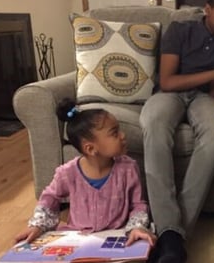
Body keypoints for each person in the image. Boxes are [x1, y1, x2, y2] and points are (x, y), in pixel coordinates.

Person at [139, 0, 214, 263]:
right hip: (170, 94)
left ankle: (171, 236)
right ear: (207, 9)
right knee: (155, 123)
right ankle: (173, 237)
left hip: (203, 98)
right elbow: (168, 81)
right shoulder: (180, 30)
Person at [15, 98, 156, 248]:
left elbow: (138, 204)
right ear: (90, 148)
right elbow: (50, 198)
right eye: (115, 133)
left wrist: (137, 227)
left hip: (116, 238)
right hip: (78, 240)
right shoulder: (67, 173)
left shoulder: (128, 168)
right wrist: (38, 225)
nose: (123, 135)